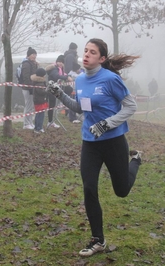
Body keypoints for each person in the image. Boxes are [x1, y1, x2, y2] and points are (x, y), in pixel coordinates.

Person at [46, 38, 142, 257]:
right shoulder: (80, 80)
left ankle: (135, 160)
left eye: (92, 52)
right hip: (90, 142)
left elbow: (131, 107)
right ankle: (98, 240)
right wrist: (60, 94)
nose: (86, 55)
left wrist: (107, 123)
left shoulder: (110, 79)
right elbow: (80, 109)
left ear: (102, 58)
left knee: (122, 190)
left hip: (114, 141)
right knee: (89, 188)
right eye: (85, 51)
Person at [45, 54, 72, 128]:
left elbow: (62, 76)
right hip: (52, 87)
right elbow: (57, 76)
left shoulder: (61, 69)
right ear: (56, 62)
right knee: (51, 105)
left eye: (62, 62)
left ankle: (52, 121)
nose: (60, 63)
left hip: (56, 87)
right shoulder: (54, 68)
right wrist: (66, 77)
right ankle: (50, 122)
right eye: (59, 61)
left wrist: (68, 77)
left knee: (69, 89)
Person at [21, 47, 38, 130]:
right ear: (28, 55)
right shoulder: (26, 64)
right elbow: (26, 78)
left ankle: (30, 122)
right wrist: (31, 85)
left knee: (31, 106)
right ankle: (26, 124)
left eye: (35, 54)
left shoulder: (33, 64)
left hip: (32, 88)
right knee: (28, 105)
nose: (34, 56)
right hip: (27, 88)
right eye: (33, 54)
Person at [31, 68, 48, 134]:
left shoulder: (39, 82)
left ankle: (39, 127)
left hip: (40, 101)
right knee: (40, 115)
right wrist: (47, 91)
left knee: (40, 114)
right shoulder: (39, 83)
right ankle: (38, 128)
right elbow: (41, 92)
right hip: (39, 101)